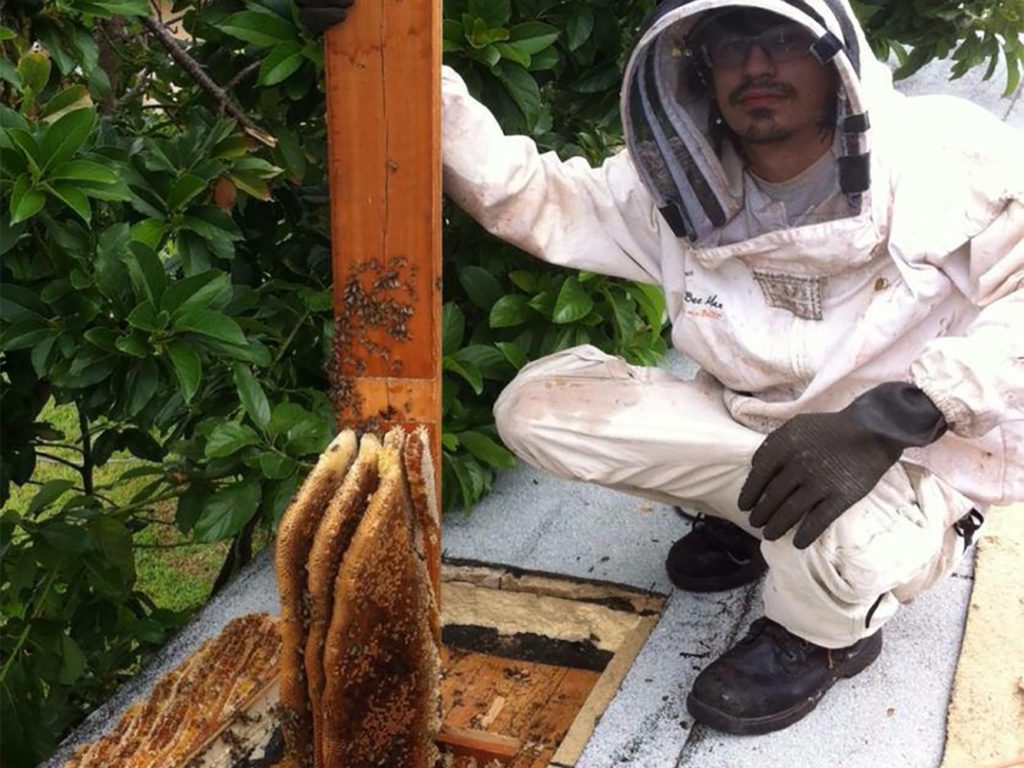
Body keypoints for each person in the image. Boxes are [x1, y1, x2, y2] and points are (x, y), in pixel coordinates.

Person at [299, 0, 1024, 734]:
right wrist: (392, 51)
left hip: (908, 467)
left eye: (782, 41)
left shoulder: (945, 158)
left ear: (837, 62)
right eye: (733, 48)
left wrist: (898, 413)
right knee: (538, 409)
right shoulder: (683, 184)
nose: (757, 67)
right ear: (702, 73)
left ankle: (823, 639)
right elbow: (530, 196)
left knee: (858, 546)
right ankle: (752, 519)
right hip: (753, 424)